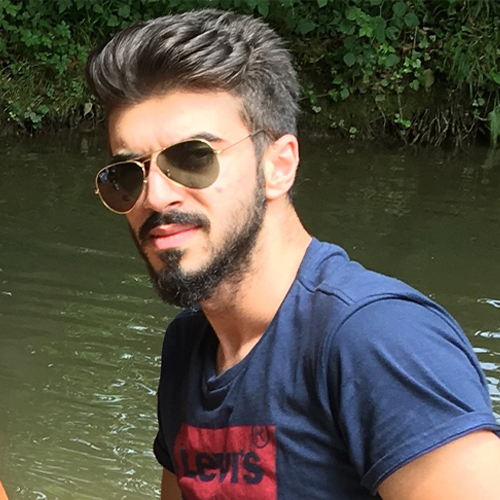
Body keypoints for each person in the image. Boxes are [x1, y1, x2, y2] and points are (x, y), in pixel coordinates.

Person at [86, 9, 500, 500]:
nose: (155, 196)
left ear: (278, 166)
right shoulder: (189, 345)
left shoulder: (376, 339)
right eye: (127, 174)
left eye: (193, 158)